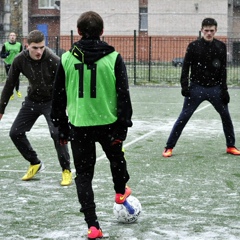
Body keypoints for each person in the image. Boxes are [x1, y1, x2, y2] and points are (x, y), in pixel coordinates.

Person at [51, 11, 133, 239]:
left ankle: (93, 225)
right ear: (102, 32)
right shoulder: (113, 57)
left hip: (80, 126)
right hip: (109, 125)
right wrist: (123, 126)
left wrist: (61, 128)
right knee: (117, 160)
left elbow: (57, 98)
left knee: (84, 176)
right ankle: (119, 192)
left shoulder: (67, 58)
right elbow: (123, 95)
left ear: (78, 32)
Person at [0, 30, 72, 186]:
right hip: (32, 101)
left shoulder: (54, 60)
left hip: (51, 102)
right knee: (15, 133)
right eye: (35, 48)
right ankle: (35, 162)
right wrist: (1, 109)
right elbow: (10, 84)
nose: (39, 51)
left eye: (41, 47)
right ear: (27, 46)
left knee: (57, 133)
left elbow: (66, 85)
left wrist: (64, 107)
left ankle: (66, 170)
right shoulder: (20, 60)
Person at [162, 18, 240, 157]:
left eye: (211, 30)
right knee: (183, 117)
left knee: (226, 116)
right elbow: (185, 67)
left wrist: (224, 89)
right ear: (201, 30)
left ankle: (231, 146)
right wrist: (185, 86)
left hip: (215, 88)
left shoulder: (221, 46)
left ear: (216, 30)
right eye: (206, 30)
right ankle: (169, 147)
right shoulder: (193, 46)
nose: (209, 33)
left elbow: (223, 70)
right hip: (196, 88)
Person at [0, 32, 23, 100]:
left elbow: (22, 54)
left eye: (13, 35)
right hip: (8, 64)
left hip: (16, 64)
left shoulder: (19, 45)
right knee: (10, 79)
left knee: (17, 78)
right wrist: (6, 54)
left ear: (15, 37)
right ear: (9, 37)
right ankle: (11, 93)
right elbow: (1, 55)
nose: (12, 37)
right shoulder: (5, 45)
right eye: (11, 35)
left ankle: (17, 90)